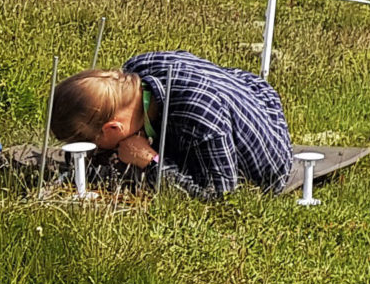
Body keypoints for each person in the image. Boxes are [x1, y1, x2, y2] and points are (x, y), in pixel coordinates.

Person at [48, 51, 294, 198]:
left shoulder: (198, 117)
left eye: (91, 144)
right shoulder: (136, 70)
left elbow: (220, 195)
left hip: (268, 159)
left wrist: (151, 162)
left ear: (113, 128)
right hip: (244, 89)